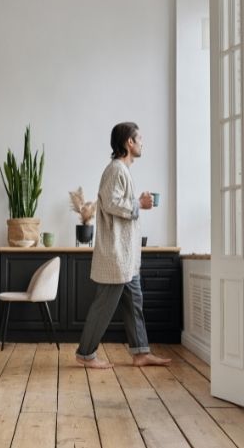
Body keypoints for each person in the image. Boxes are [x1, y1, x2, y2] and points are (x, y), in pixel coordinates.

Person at [76, 122, 171, 369]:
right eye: (140, 138)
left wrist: (138, 203)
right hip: (116, 255)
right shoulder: (116, 169)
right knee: (104, 305)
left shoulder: (123, 171)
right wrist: (139, 204)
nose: (142, 143)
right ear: (129, 142)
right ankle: (85, 354)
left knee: (134, 302)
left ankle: (140, 352)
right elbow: (110, 203)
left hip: (127, 256)